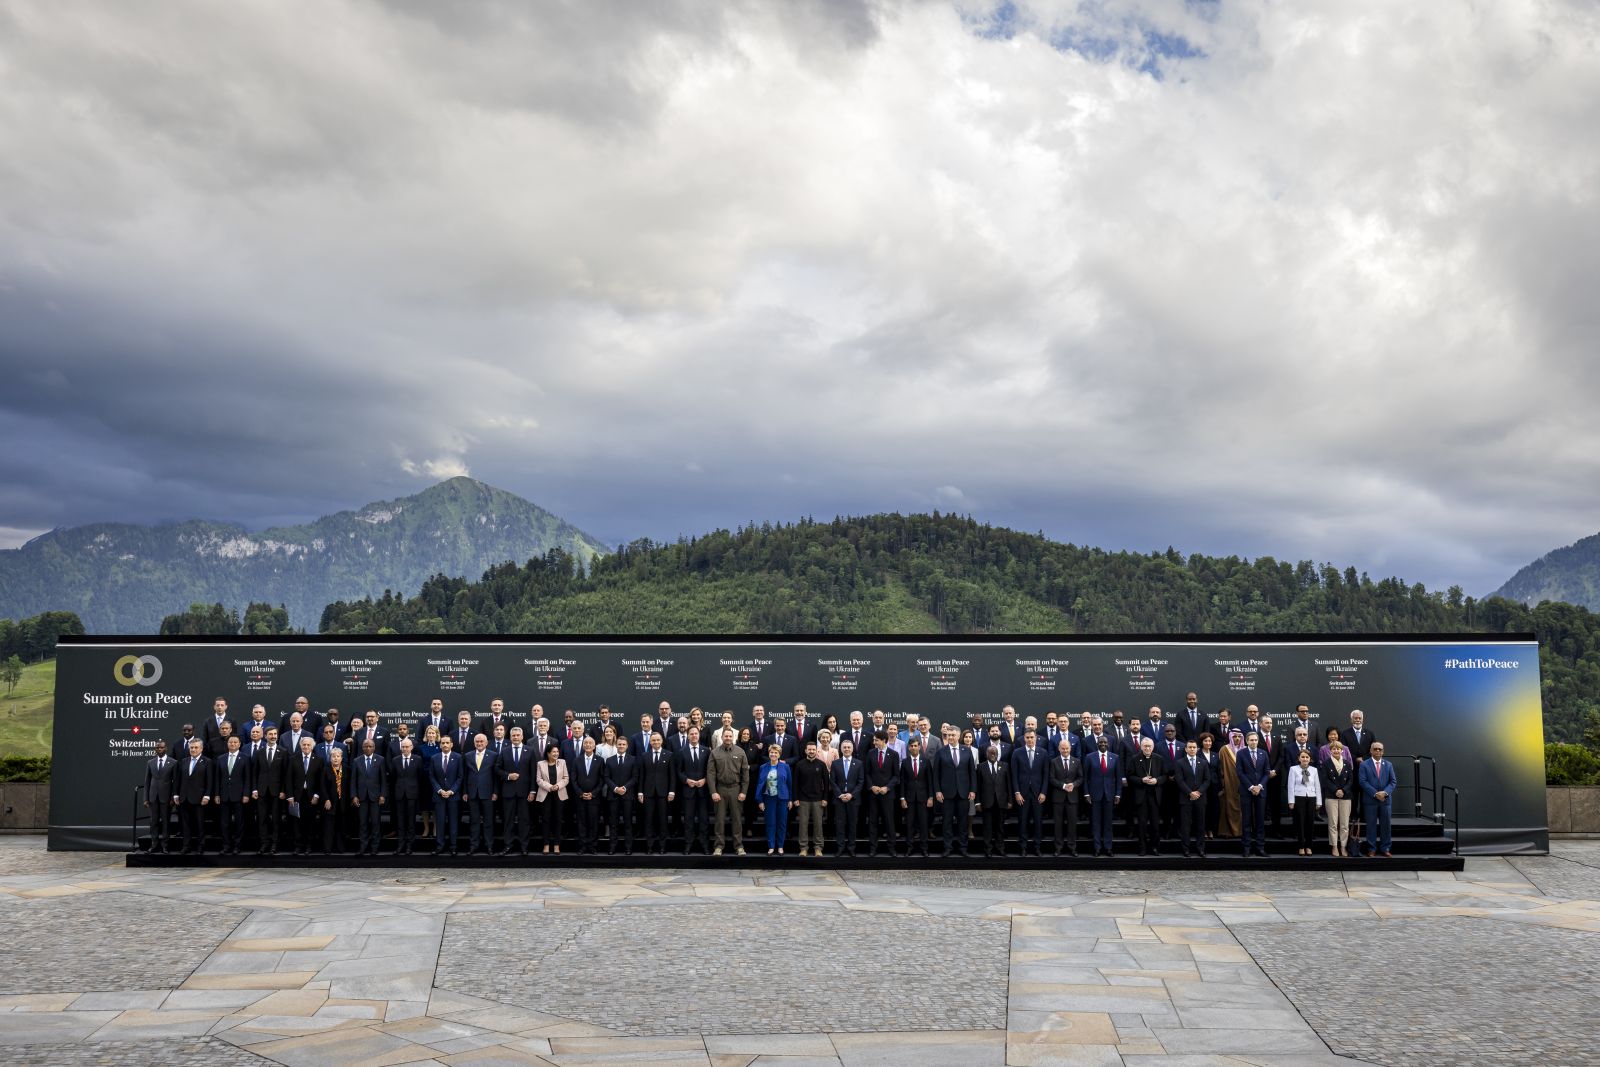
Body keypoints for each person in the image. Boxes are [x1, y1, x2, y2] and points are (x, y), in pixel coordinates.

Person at [707, 728, 750, 857]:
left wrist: (743, 792)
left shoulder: (740, 752)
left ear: (733, 737)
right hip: (720, 789)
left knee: (737, 820)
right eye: (725, 736)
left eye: (730, 736)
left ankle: (739, 846)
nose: (727, 738)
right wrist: (713, 792)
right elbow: (710, 774)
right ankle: (719, 846)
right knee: (719, 820)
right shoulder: (714, 753)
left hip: (736, 790)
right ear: (722, 737)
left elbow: (745, 774)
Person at [934, 728, 975, 857]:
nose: (950, 737)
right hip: (947, 794)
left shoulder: (967, 751)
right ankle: (947, 847)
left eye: (953, 735)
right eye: (948, 735)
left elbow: (972, 772)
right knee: (947, 822)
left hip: (963, 793)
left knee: (963, 822)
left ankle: (963, 848)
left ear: (958, 736)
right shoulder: (941, 752)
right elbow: (936, 774)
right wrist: (938, 791)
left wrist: (973, 790)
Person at [496, 727, 535, 856]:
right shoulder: (504, 751)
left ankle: (524, 846)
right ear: (510, 737)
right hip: (508, 791)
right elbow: (497, 769)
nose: (516, 737)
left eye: (518, 735)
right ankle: (508, 845)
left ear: (522, 736)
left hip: (524, 792)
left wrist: (532, 791)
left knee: (524, 820)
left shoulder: (530, 751)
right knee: (508, 820)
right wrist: (508, 775)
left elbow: (533, 772)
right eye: (514, 736)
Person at [1009, 728, 1047, 857]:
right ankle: (1023, 847)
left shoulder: (1043, 753)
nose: (1030, 740)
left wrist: (1043, 792)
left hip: (1038, 794)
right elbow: (1013, 775)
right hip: (1022, 794)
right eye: (1027, 738)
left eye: (1032, 737)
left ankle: (1037, 847)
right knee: (1023, 821)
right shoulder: (1017, 753)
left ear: (1036, 738)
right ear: (1024, 739)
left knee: (1038, 821)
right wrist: (1017, 792)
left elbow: (1045, 775)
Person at [638, 732, 677, 855]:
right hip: (648, 793)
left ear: (661, 741)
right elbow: (641, 775)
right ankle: (649, 846)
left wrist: (672, 791)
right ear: (650, 742)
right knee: (649, 820)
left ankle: (662, 846)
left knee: (663, 820)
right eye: (653, 740)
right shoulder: (644, 756)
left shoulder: (669, 755)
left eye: (657, 740)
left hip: (663, 793)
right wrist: (640, 792)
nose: (655, 742)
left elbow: (672, 775)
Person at [1083, 735, 1122, 858]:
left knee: (1108, 823)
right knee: (1096, 823)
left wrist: (1118, 794)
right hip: (1094, 795)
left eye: (1105, 742)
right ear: (1097, 744)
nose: (1103, 744)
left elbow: (1118, 778)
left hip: (1110, 795)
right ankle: (1097, 848)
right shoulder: (1089, 757)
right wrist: (1086, 793)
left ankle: (1108, 847)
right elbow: (1085, 778)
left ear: (1108, 744)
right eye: (1101, 742)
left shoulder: (1115, 758)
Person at [863, 731, 900, 857]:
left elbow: (896, 776)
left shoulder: (894, 754)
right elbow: (866, 773)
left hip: (887, 794)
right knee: (873, 821)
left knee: (889, 821)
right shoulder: (870, 753)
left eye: (876, 740)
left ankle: (892, 848)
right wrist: (871, 786)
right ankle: (873, 848)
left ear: (883, 740)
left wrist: (887, 787)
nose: (874, 742)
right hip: (873, 794)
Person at [214, 734, 252, 855]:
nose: (233, 744)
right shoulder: (221, 758)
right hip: (224, 795)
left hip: (239, 796)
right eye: (231, 742)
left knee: (239, 822)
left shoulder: (245, 758)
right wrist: (216, 795)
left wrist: (246, 794)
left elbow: (247, 778)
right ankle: (226, 846)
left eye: (235, 742)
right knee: (224, 823)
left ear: (240, 744)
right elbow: (217, 778)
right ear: (227, 744)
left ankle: (237, 846)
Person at [793, 740, 830, 857]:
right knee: (803, 825)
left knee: (818, 825)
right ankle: (803, 848)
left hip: (818, 799)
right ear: (806, 751)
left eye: (813, 749)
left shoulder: (821, 764)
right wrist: (796, 798)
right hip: (803, 799)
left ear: (816, 751)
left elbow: (826, 783)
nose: (811, 751)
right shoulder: (799, 764)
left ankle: (818, 847)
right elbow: (795, 783)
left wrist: (825, 798)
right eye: (809, 749)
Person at [462, 734, 497, 855]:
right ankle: (474, 845)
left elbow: (495, 776)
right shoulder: (468, 755)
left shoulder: (493, 755)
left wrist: (495, 792)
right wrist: (465, 791)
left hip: (488, 793)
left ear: (486, 742)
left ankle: (489, 846)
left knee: (488, 821)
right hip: (472, 793)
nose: (479, 743)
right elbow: (465, 775)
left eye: (482, 741)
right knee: (474, 821)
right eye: (477, 741)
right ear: (474, 743)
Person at [677, 727, 711, 855]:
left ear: (699, 735)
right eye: (691, 734)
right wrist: (686, 780)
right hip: (688, 791)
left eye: (696, 733)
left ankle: (705, 845)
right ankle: (688, 845)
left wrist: (705, 780)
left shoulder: (706, 751)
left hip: (703, 791)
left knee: (704, 820)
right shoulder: (681, 752)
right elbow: (679, 771)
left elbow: (710, 770)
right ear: (688, 735)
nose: (694, 736)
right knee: (689, 820)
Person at [1236, 732, 1270, 858]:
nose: (1254, 742)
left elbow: (1267, 772)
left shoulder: (1263, 753)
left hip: (1260, 791)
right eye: (1251, 740)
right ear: (1246, 741)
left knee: (1260, 821)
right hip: (1246, 791)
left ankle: (1260, 848)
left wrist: (1259, 786)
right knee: (1246, 821)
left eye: (1256, 740)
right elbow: (1239, 772)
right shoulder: (1241, 753)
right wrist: (1251, 787)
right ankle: (1246, 848)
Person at [1359, 741, 1396, 857]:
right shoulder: (1364, 764)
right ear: (1371, 751)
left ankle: (1385, 848)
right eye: (1375, 749)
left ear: (1383, 751)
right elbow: (1363, 781)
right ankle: (1372, 849)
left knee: (1386, 825)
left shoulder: (1388, 765)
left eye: (1380, 749)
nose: (1378, 751)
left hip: (1385, 801)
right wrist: (1375, 794)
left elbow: (1393, 781)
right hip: (1370, 801)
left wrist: (1385, 793)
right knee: (1371, 825)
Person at [287, 735, 322, 855]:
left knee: (310, 822)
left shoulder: (318, 760)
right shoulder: (293, 759)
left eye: (308, 745)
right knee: (297, 822)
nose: (306, 746)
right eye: (304, 745)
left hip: (311, 797)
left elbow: (320, 780)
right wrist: (290, 795)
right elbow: (289, 779)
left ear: (312, 746)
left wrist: (317, 795)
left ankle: (309, 845)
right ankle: (298, 846)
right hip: (297, 796)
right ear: (300, 746)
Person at [1175, 739, 1209, 859]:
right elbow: (1179, 780)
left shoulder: (1203, 763)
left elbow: (1207, 780)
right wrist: (1190, 792)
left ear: (1197, 749)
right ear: (1186, 749)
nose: (1192, 749)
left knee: (1200, 825)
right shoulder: (1179, 763)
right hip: (1185, 799)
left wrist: (1198, 792)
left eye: (1194, 747)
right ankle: (1186, 849)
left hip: (1200, 798)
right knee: (1185, 826)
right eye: (1190, 747)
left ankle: (1200, 849)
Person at [1046, 738, 1081, 856]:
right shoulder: (1054, 762)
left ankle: (1072, 847)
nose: (1065, 750)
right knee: (1058, 824)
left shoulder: (1077, 761)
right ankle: (1058, 848)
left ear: (1070, 748)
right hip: (1058, 798)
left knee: (1072, 824)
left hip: (1072, 798)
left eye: (1067, 748)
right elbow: (1051, 778)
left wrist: (1074, 784)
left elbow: (1081, 778)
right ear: (1059, 749)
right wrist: (1063, 786)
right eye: (1063, 748)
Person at [351, 738, 387, 855]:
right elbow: (353, 780)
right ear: (362, 748)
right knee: (363, 823)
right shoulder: (357, 761)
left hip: (376, 797)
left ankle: (375, 847)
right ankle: (363, 846)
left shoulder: (380, 760)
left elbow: (383, 780)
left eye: (370, 746)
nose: (368, 748)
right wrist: (354, 796)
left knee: (376, 823)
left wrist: (382, 795)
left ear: (374, 747)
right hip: (361, 797)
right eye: (366, 746)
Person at [604, 734, 639, 855]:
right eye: (619, 744)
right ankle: (612, 846)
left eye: (623, 744)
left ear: (627, 746)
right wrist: (615, 788)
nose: (621, 746)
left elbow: (635, 777)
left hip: (627, 796)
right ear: (616, 745)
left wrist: (624, 787)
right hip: (613, 796)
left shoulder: (633, 759)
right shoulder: (609, 760)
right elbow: (606, 777)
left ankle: (628, 847)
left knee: (628, 822)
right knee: (613, 823)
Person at [831, 738, 866, 858]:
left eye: (848, 747)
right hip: (839, 799)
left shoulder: (859, 763)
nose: (846, 749)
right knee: (840, 825)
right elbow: (833, 781)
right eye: (844, 747)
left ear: (852, 749)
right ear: (841, 749)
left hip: (853, 799)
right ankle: (840, 848)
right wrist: (840, 794)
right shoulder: (835, 763)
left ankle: (851, 848)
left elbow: (861, 782)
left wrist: (851, 794)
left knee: (852, 825)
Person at [755, 745, 793, 855]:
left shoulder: (785, 767)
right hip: (768, 798)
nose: (773, 754)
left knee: (782, 823)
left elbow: (789, 784)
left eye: (776, 753)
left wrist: (790, 799)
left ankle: (780, 846)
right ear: (769, 753)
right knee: (770, 823)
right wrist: (760, 800)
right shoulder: (763, 767)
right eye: (771, 752)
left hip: (782, 798)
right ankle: (771, 846)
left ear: (779, 755)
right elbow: (759, 784)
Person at [1128, 737, 1162, 856]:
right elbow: (1130, 776)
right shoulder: (1135, 759)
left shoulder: (1159, 759)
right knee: (1142, 825)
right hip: (1141, 797)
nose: (1147, 748)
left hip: (1154, 797)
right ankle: (1142, 848)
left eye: (1149, 746)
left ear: (1153, 747)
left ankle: (1154, 848)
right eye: (1145, 746)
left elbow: (1165, 776)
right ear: (1141, 747)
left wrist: (1157, 780)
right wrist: (1141, 780)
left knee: (1155, 824)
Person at [900, 737, 934, 858]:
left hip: (923, 798)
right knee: (909, 824)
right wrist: (902, 798)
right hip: (909, 799)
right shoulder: (904, 762)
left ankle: (924, 848)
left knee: (923, 824)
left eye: (915, 746)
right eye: (911, 746)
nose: (913, 748)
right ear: (909, 748)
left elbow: (930, 780)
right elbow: (902, 781)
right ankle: (909, 848)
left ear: (919, 747)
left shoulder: (926, 761)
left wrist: (931, 797)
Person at [1320, 737, 1354, 856]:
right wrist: (1336, 790)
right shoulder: (1326, 763)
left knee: (1344, 824)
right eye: (1333, 749)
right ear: (1330, 751)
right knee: (1333, 823)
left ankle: (1343, 846)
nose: (1336, 751)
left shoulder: (1347, 763)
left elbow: (1350, 780)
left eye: (1338, 749)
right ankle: (1334, 846)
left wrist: (1343, 790)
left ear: (1342, 750)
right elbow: (1325, 780)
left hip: (1345, 796)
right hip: (1331, 796)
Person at [975, 744, 1010, 857]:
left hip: (1001, 802)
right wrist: (977, 802)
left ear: (998, 754)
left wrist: (1010, 800)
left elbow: (1009, 785)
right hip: (986, 802)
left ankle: (1000, 848)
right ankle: (988, 849)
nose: (993, 755)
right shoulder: (981, 767)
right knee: (987, 828)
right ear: (986, 754)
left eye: (994, 753)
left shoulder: (1005, 766)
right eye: (990, 753)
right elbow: (978, 786)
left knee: (1000, 827)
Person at [430, 735, 462, 856]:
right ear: (440, 745)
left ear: (451, 744)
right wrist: (439, 790)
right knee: (440, 821)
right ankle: (440, 846)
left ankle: (453, 846)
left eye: (447, 743)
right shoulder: (434, 758)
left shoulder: (458, 757)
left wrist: (452, 791)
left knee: (453, 822)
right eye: (443, 743)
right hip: (439, 796)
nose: (445, 745)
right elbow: (432, 776)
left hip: (453, 796)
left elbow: (460, 777)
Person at [1287, 748, 1322, 855]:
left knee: (1310, 822)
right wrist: (1291, 801)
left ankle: (1309, 846)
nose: (1305, 759)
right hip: (1299, 797)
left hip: (1311, 797)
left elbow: (1317, 786)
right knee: (1300, 822)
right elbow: (1290, 786)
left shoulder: (1314, 770)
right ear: (1299, 758)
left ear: (1310, 759)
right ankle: (1301, 846)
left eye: (1307, 757)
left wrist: (1318, 801)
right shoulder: (1293, 769)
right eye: (1302, 757)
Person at [535, 742, 569, 853]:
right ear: (548, 753)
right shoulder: (540, 764)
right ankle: (545, 844)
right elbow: (539, 780)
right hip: (546, 795)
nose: (556, 754)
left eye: (557, 752)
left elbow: (566, 778)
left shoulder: (562, 762)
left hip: (559, 794)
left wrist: (558, 786)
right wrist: (550, 787)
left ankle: (556, 845)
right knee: (545, 819)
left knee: (558, 819)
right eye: (553, 752)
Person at [144, 740, 176, 854]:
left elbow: (175, 782)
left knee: (166, 822)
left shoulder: (173, 762)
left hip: (166, 798)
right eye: (157, 748)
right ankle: (154, 844)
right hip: (153, 798)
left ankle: (165, 846)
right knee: (153, 822)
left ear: (166, 748)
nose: (159, 750)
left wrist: (173, 797)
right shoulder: (150, 762)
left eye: (161, 748)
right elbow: (147, 781)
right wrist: (146, 798)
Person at [390, 737, 421, 855]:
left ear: (412, 747)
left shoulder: (418, 759)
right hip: (399, 795)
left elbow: (420, 777)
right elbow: (393, 778)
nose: (405, 749)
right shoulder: (395, 760)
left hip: (412, 795)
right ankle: (400, 844)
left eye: (407, 746)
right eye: (403, 747)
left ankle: (410, 845)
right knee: (400, 821)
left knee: (411, 822)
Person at [319, 746, 351, 854]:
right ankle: (327, 849)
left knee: (341, 826)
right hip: (330, 802)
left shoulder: (347, 769)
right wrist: (326, 799)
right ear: (330, 758)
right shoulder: (325, 769)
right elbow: (322, 786)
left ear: (342, 758)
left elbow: (350, 786)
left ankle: (341, 848)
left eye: (338, 756)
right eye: (333, 756)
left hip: (343, 803)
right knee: (328, 827)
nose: (335, 758)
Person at [417, 724, 441, 842]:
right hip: (424, 780)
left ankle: (435, 828)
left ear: (436, 735)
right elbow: (419, 764)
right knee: (425, 806)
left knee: (434, 805)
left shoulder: (440, 747)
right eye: (429, 733)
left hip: (437, 780)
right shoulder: (421, 747)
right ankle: (426, 828)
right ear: (426, 735)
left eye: (433, 733)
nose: (431, 735)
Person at [1218, 730, 1244, 839]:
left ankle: (1241, 832)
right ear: (1231, 738)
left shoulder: (1245, 750)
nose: (1237, 739)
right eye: (1235, 737)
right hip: (1228, 783)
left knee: (1242, 807)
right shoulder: (1224, 750)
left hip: (1243, 784)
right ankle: (1227, 832)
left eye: (1239, 737)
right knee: (1228, 806)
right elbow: (1220, 768)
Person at [1198, 732, 1221, 840]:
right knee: (1203, 809)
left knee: (1213, 809)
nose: (1208, 743)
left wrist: (1221, 787)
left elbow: (1218, 771)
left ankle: (1210, 830)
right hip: (1201, 786)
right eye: (1206, 741)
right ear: (1202, 742)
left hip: (1214, 786)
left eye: (1210, 741)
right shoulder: (1197, 754)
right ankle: (1202, 830)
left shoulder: (1215, 755)